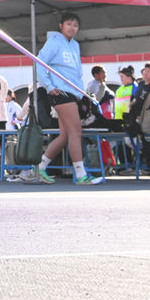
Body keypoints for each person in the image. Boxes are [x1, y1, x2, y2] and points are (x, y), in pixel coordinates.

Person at [20, 12, 102, 185]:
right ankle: (81, 175)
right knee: (76, 132)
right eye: (69, 24)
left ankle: (39, 168)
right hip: (60, 92)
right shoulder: (54, 42)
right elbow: (39, 63)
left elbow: (76, 72)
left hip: (73, 92)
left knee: (65, 135)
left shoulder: (75, 45)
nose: (72, 28)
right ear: (61, 26)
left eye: (75, 25)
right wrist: (49, 86)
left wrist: (80, 93)